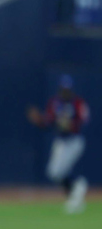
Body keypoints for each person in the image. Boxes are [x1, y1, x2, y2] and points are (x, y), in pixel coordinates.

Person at [28, 75, 90, 213]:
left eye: (67, 89)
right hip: (61, 142)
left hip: (74, 141)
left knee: (61, 171)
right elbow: (48, 123)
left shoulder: (78, 103)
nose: (65, 92)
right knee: (54, 172)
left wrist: (71, 125)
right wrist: (39, 120)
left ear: (71, 89)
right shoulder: (54, 102)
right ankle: (77, 187)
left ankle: (75, 193)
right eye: (63, 89)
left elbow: (83, 120)